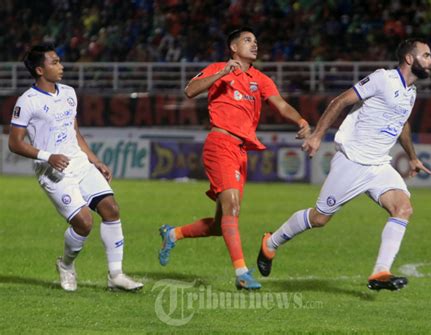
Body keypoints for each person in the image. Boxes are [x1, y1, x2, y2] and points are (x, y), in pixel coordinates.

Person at [257, 38, 431, 291]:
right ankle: (271, 243)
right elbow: (339, 101)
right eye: (426, 55)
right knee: (319, 219)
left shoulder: (411, 91)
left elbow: (403, 123)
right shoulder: (383, 79)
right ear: (409, 59)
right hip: (352, 161)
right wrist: (317, 135)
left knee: (403, 208)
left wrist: (413, 157)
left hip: (378, 165)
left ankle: (380, 273)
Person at [158, 27, 311, 290]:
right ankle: (241, 273)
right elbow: (190, 90)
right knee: (232, 207)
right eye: (247, 40)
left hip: (240, 151)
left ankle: (173, 233)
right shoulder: (218, 68)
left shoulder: (260, 79)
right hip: (220, 143)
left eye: (256, 41)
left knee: (221, 224)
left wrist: (301, 120)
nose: (254, 45)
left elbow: (281, 104)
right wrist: (221, 73)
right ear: (233, 47)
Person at [8, 44, 143, 292]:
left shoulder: (69, 92)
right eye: (55, 62)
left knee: (111, 209)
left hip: (79, 162)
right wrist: (48, 156)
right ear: (40, 69)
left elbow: (75, 132)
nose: (61, 66)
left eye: (60, 61)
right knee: (84, 223)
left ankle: (116, 275)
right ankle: (66, 265)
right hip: (53, 170)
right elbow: (14, 143)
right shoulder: (27, 101)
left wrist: (95, 160)